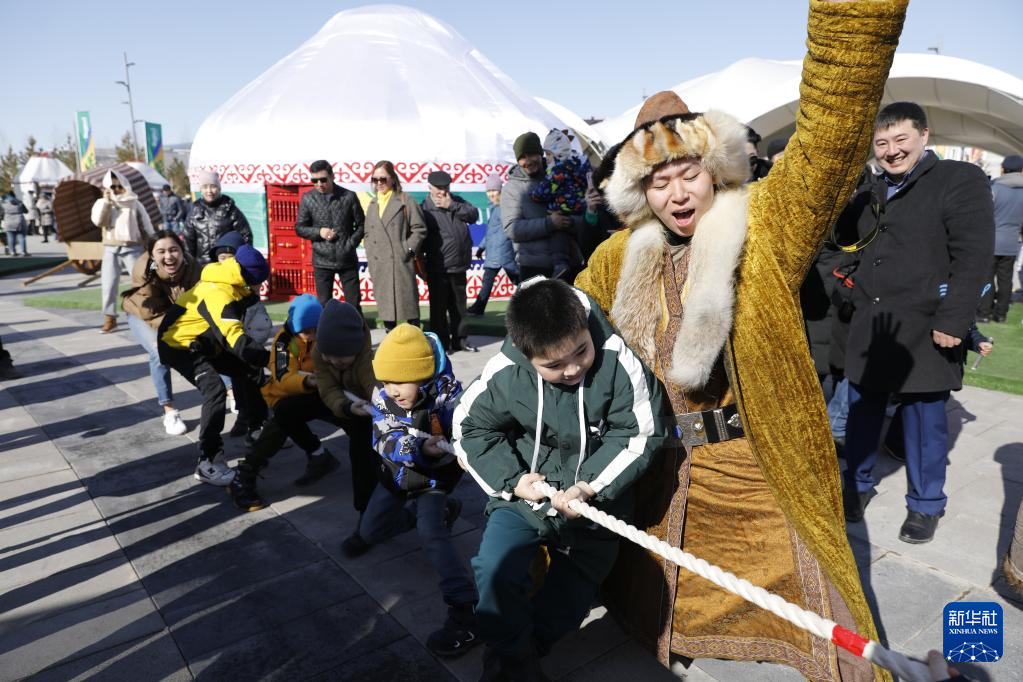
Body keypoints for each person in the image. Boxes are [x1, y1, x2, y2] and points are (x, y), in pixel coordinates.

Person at [573, 2, 907, 677]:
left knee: (828, 626)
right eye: (658, 181)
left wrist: (853, 21)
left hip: (755, 467)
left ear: (715, 170)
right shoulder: (614, 258)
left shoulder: (764, 229)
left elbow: (829, 136)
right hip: (662, 471)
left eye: (687, 173)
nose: (676, 193)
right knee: (650, 597)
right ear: (639, 193)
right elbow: (565, 328)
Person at [454, 278, 667, 678]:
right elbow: (469, 429)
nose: (571, 369)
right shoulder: (506, 372)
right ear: (525, 354)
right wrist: (513, 480)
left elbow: (639, 433)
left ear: (586, 327)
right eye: (553, 365)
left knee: (575, 592)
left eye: (581, 351)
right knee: (494, 569)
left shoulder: (617, 360)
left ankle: (522, 654)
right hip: (526, 493)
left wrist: (589, 486)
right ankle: (515, 663)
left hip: (596, 499)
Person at [839, 102, 994, 545]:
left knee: (924, 422)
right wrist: (848, 291)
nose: (891, 151)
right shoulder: (870, 189)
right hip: (873, 326)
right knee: (862, 414)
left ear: (924, 135)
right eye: (882, 143)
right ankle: (857, 485)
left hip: (928, 326)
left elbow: (973, 258)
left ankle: (925, 504)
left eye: (900, 139)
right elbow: (846, 245)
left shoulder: (958, 179)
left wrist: (954, 320)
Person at [348, 323, 478, 657]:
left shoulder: (449, 396)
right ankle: (444, 511)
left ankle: (464, 605)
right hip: (396, 476)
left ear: (423, 374)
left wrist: (460, 446)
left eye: (401, 380)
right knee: (370, 532)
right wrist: (420, 448)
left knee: (431, 535)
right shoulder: (383, 396)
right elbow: (384, 439)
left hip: (432, 481)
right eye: (387, 381)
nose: (393, 390)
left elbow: (468, 430)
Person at [158, 245, 271, 486]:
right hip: (179, 345)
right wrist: (270, 358)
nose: (259, 288)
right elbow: (235, 338)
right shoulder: (217, 291)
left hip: (205, 342)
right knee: (215, 391)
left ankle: (257, 429)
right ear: (248, 277)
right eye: (258, 283)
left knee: (249, 370)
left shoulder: (233, 282)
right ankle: (207, 461)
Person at [229, 294, 349, 511]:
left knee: (354, 418)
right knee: (282, 418)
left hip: (325, 391)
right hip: (290, 393)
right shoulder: (284, 342)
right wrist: (308, 381)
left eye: (316, 330)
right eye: (306, 331)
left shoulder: (328, 334)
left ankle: (376, 465)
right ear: (295, 328)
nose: (312, 336)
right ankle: (245, 473)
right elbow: (283, 377)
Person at [121, 230, 201, 436]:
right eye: (161, 251)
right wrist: (173, 334)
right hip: (145, 315)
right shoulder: (146, 270)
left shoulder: (193, 266)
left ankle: (232, 393)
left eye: (174, 250)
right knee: (160, 352)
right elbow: (151, 311)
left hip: (178, 315)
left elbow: (202, 300)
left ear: (182, 251)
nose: (168, 256)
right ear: (152, 255)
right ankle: (169, 410)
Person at [209, 231, 272, 443]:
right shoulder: (217, 284)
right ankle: (245, 416)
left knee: (253, 381)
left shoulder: (247, 283)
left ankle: (258, 421)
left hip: (248, 340)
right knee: (237, 382)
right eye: (222, 258)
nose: (226, 263)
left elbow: (257, 316)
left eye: (231, 258)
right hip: (229, 342)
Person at [503, 132, 581, 280]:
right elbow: (512, 229)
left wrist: (569, 221)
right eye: (522, 157)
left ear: (541, 154)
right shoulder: (512, 189)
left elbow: (582, 214)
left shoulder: (562, 174)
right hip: (534, 268)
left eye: (532, 154)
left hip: (570, 264)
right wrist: (549, 223)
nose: (528, 161)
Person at [294, 159, 366, 311]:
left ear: (332, 176)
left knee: (353, 305)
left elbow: (362, 225)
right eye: (314, 180)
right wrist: (319, 232)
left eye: (323, 179)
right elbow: (299, 228)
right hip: (321, 261)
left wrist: (350, 244)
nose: (319, 184)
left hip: (347, 259)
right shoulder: (308, 198)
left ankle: (357, 327)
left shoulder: (349, 196)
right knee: (324, 306)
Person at [363, 161, 427, 330]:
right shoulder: (373, 204)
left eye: (383, 179)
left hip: (400, 263)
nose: (379, 183)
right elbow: (368, 233)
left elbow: (419, 229)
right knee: (387, 314)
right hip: (380, 264)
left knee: (409, 310)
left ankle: (414, 341)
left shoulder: (406, 200)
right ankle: (391, 341)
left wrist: (407, 250)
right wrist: (371, 254)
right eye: (375, 179)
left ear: (392, 178)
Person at [421, 170, 480, 353]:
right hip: (438, 267)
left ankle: (460, 340)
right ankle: (442, 343)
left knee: (459, 307)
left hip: (459, 265)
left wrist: (452, 205)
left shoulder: (456, 201)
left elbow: (473, 215)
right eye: (438, 188)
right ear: (430, 188)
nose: (442, 191)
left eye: (445, 187)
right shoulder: (424, 209)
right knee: (438, 309)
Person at [91, 170, 154, 333]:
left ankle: (146, 314)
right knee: (108, 285)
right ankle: (110, 318)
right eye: (113, 186)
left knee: (141, 284)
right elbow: (98, 221)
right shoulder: (102, 202)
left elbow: (146, 224)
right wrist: (107, 202)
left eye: (119, 186)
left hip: (133, 247)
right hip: (110, 248)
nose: (117, 189)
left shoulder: (134, 202)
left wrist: (154, 243)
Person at [529, 129, 591, 280]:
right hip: (581, 212)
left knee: (559, 238)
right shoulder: (580, 165)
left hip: (563, 211)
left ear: (556, 153)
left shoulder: (557, 171)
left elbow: (545, 191)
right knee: (582, 244)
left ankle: (560, 265)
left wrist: (534, 194)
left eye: (548, 154)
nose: (547, 158)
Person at [977, 154, 1023, 323]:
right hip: (1012, 243)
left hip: (991, 241)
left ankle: (984, 313)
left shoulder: (995, 188)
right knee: (1006, 280)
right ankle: (1001, 314)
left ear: (1003, 169)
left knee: (986, 278)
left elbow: (983, 215)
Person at [468, 173, 519, 315]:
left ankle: (532, 301)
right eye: (488, 191)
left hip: (503, 252)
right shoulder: (495, 208)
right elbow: (491, 233)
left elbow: (511, 229)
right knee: (494, 280)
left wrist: (516, 250)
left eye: (494, 190)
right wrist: (481, 247)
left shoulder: (503, 207)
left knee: (517, 279)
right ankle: (478, 307)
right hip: (496, 253)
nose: (491, 194)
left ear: (500, 190)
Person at [183, 171, 252, 267]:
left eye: (213, 186)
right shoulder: (194, 212)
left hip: (226, 266)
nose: (209, 191)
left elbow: (245, 237)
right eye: (205, 187)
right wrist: (190, 266)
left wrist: (241, 262)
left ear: (219, 188)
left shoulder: (230, 210)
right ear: (201, 190)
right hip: (203, 267)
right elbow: (188, 243)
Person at [1, 192, 27, 256]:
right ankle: (23, 251)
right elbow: (26, 211)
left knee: (10, 237)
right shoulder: (19, 202)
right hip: (19, 221)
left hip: (8, 221)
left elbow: (1, 213)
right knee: (21, 237)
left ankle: (12, 251)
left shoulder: (3, 203)